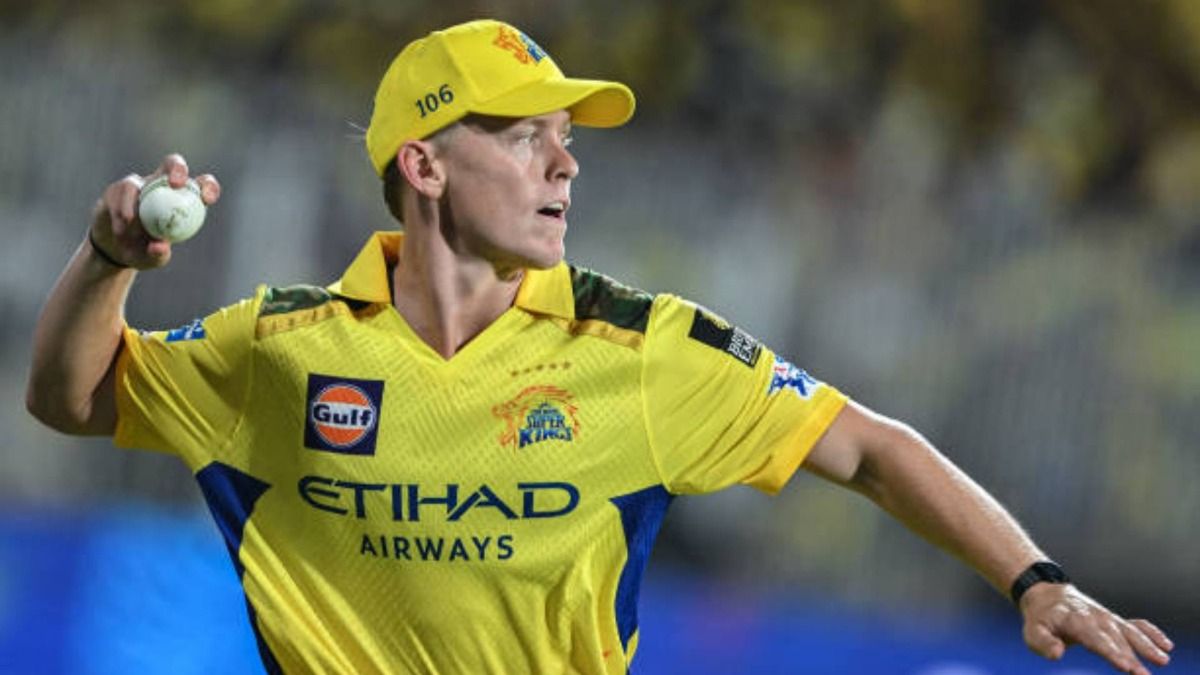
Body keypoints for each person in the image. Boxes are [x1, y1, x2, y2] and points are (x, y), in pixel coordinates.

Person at [26, 18, 1174, 675]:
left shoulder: (641, 352)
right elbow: (72, 399)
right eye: (526, 138)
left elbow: (869, 447)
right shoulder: (278, 349)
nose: (565, 166)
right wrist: (109, 261)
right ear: (422, 165)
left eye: (567, 141)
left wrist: (1035, 579)